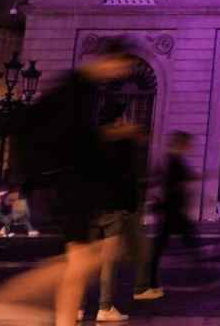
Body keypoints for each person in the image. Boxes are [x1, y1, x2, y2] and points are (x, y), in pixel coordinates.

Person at [0, 38, 138, 326]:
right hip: (71, 187)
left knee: (78, 265)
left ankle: (56, 320)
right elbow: (72, 141)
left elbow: (71, 138)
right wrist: (112, 138)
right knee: (85, 261)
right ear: (111, 60)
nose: (123, 72)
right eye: (124, 65)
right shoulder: (78, 88)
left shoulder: (84, 89)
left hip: (72, 186)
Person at [93, 104, 146, 323]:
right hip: (113, 207)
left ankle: (76, 306)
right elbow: (129, 175)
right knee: (108, 260)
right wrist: (132, 206)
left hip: (90, 207)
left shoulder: (91, 142)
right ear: (117, 120)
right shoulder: (123, 143)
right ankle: (104, 307)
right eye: (123, 117)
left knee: (83, 260)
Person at [136, 131, 198, 300]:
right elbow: (169, 182)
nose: (190, 146)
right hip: (172, 211)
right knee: (166, 245)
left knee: (178, 241)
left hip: (172, 211)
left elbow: (162, 180)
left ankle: (152, 281)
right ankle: (150, 282)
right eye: (187, 143)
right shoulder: (173, 160)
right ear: (181, 144)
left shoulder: (173, 160)